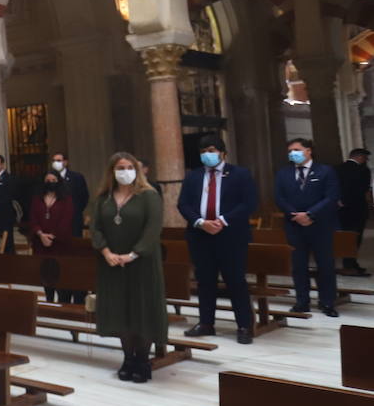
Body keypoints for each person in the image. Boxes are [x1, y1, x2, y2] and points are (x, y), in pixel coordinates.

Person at [89, 152, 167, 384]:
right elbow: (95, 228)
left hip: (141, 262)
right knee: (120, 309)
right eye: (120, 167)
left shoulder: (149, 196)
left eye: (129, 167)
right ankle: (128, 358)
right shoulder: (103, 197)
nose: (125, 171)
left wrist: (133, 254)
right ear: (112, 171)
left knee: (141, 309)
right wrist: (106, 252)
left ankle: (143, 359)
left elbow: (153, 229)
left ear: (137, 169)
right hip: (111, 262)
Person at [178, 135, 258, 344]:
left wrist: (222, 220)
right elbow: (183, 204)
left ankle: (244, 325)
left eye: (211, 150)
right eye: (203, 151)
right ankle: (206, 323)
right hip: (200, 235)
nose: (207, 155)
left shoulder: (240, 174)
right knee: (205, 281)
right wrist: (200, 222)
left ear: (222, 153)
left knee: (235, 281)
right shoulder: (193, 176)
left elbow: (248, 203)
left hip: (231, 235)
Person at [275, 138, 341, 317]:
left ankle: (327, 302)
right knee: (298, 265)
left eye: (296, 149)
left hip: (320, 225)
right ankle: (302, 301)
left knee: (325, 264)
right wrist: (295, 215)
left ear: (309, 150)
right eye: (290, 151)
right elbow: (280, 198)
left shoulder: (325, 171)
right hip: (294, 225)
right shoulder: (284, 173)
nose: (292, 153)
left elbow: (331, 197)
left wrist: (311, 214)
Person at [29, 171, 79, 302]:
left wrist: (52, 236)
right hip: (41, 244)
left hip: (60, 244)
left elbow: (66, 220)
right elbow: (33, 218)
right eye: (48, 180)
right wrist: (40, 234)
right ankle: (49, 300)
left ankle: (63, 302)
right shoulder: (37, 198)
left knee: (61, 275)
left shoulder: (66, 199)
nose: (50, 183)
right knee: (45, 275)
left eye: (53, 180)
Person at [337, 148, 372, 276]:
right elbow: (364, 190)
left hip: (342, 210)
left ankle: (350, 263)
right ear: (359, 157)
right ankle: (350, 264)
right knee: (356, 238)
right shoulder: (363, 170)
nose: (366, 160)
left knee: (346, 237)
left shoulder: (338, 168)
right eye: (365, 158)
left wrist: (340, 201)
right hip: (357, 209)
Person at [51, 151, 91, 237]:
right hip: (55, 220)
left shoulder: (77, 177)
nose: (55, 163)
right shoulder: (49, 178)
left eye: (58, 160)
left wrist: (75, 210)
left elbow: (84, 197)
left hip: (74, 219)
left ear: (65, 162)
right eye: (53, 161)